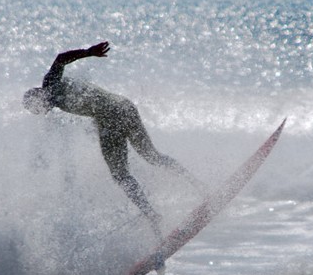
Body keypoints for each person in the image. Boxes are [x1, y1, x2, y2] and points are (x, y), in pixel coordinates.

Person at [23, 41, 201, 240]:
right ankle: (197, 185)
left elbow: (60, 59)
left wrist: (88, 52)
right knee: (152, 156)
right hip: (123, 107)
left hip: (111, 117)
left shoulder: (50, 84)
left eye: (37, 107)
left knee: (120, 174)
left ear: (38, 96)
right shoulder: (55, 99)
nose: (41, 111)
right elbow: (89, 103)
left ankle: (151, 214)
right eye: (37, 112)